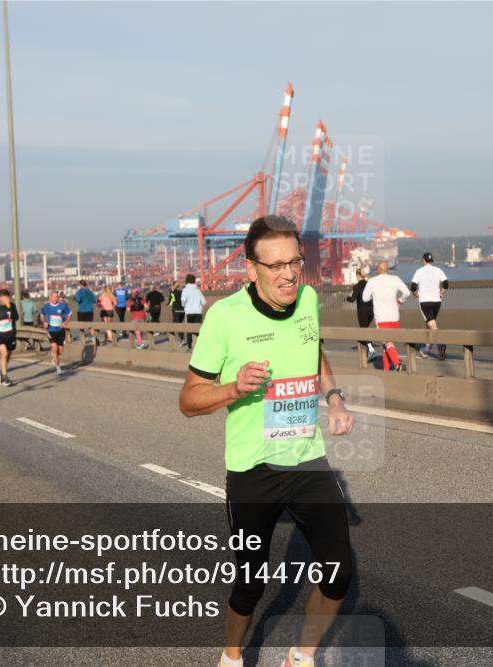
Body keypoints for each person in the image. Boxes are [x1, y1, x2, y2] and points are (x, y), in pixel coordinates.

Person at [178, 215, 355, 667]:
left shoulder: (309, 298)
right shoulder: (225, 317)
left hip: (307, 459)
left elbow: (311, 350)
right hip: (252, 469)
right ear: (251, 267)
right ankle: (232, 655)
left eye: (294, 261)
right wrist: (233, 388)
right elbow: (189, 400)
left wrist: (333, 398)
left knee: (339, 572)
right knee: (251, 584)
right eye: (275, 265)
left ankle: (301, 656)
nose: (289, 274)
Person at [362, 260, 410, 372]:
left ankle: (398, 364)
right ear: (388, 269)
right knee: (388, 343)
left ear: (378, 270)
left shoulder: (372, 281)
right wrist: (400, 300)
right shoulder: (395, 279)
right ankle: (387, 368)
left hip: (381, 317)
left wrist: (373, 297)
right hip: (394, 316)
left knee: (387, 342)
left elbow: (365, 298)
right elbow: (407, 292)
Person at [410, 252, 449, 360]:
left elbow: (413, 286)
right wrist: (442, 292)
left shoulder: (419, 271)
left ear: (423, 260)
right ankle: (426, 350)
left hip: (425, 302)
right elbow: (446, 283)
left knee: (432, 325)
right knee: (430, 324)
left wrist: (415, 294)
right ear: (431, 260)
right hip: (437, 301)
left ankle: (440, 343)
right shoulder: (438, 270)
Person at [346, 268, 377, 361]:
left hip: (362, 310)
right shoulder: (369, 284)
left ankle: (371, 350)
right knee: (366, 329)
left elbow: (352, 299)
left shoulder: (357, 286)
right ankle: (369, 348)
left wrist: (347, 297)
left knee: (363, 330)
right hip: (371, 310)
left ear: (358, 276)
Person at [0, 288, 19, 386]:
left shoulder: (12, 306)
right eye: (4, 297)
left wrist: (9, 307)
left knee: (8, 355)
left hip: (10, 334)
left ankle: (2, 372)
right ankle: (5, 377)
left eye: (7, 297)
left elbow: (16, 317)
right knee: (4, 353)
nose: (6, 299)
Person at [41, 291, 72, 375]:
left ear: (58, 298)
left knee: (60, 351)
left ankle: (54, 357)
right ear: (50, 298)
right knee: (54, 347)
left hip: (60, 330)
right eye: (53, 297)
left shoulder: (63, 306)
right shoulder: (46, 306)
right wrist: (44, 322)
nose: (55, 299)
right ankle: (58, 368)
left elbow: (70, 314)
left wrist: (65, 322)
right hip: (51, 330)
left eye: (56, 297)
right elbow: (42, 315)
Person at [181, 273, 206, 349]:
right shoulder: (197, 290)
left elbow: (183, 301)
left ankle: (189, 347)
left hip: (189, 312)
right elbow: (204, 302)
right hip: (198, 312)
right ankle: (199, 347)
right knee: (198, 330)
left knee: (189, 330)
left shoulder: (185, 290)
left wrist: (185, 305)